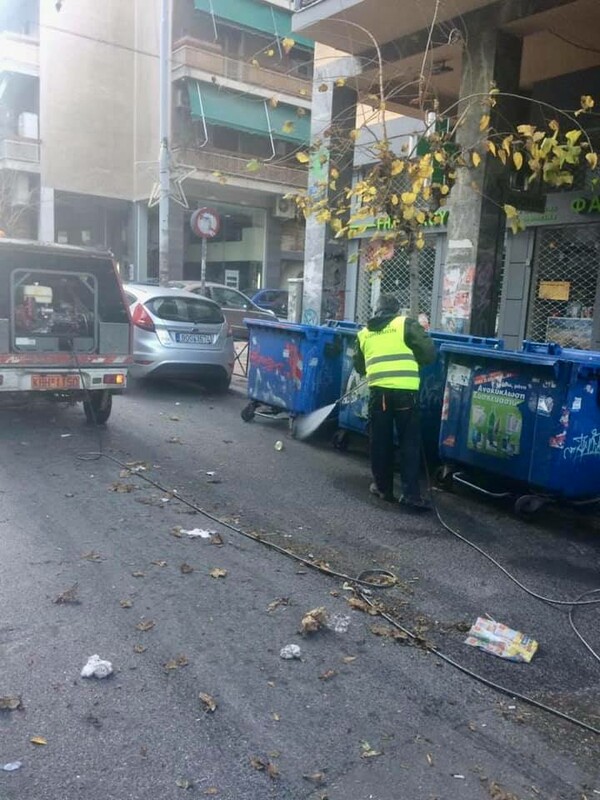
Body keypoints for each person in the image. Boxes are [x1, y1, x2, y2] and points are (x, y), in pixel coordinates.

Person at [354, 294, 436, 510]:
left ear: (375, 310)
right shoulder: (405, 324)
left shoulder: (364, 333)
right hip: (405, 394)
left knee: (380, 441)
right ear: (396, 310)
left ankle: (383, 488)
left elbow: (360, 368)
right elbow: (428, 354)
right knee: (409, 443)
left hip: (378, 394)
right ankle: (410, 495)